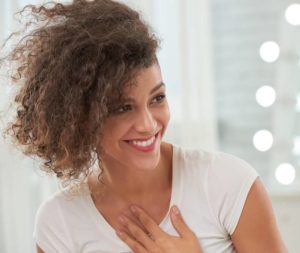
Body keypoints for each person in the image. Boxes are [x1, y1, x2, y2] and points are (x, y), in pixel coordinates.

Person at [1, 0, 287, 252]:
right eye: (123, 108)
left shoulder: (228, 184)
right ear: (80, 118)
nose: (148, 124)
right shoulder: (60, 222)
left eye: (157, 98)